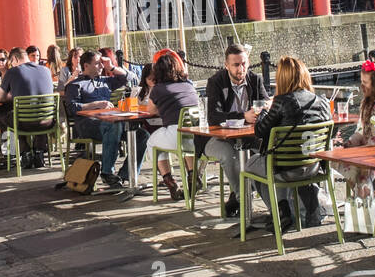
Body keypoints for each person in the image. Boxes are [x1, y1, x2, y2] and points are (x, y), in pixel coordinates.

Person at [244, 55, 331, 229]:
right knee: (271, 165)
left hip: (286, 168)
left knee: (250, 165)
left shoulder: (282, 102)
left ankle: (280, 210)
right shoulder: (322, 102)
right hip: (314, 167)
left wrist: (261, 112)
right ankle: (293, 209)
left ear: (282, 78)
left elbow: (260, 131)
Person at [201, 43, 269, 215]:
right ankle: (243, 200)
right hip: (217, 137)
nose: (241, 69)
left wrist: (261, 112)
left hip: (247, 136)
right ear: (226, 65)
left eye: (244, 63)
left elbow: (267, 105)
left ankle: (242, 196)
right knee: (228, 156)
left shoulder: (255, 79)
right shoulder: (216, 82)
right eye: (236, 65)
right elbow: (213, 117)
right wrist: (242, 116)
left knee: (266, 152)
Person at [63, 50, 133, 188]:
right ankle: (107, 172)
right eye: (97, 63)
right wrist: (96, 104)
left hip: (108, 121)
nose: (101, 66)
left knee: (141, 134)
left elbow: (129, 77)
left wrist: (111, 67)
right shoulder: (75, 85)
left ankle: (125, 174)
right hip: (87, 125)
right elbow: (72, 107)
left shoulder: (105, 81)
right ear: (86, 65)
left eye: (101, 63)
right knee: (114, 125)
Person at [134, 51, 199, 200]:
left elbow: (151, 110)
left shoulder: (158, 89)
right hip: (196, 135)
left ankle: (169, 181)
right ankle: (192, 176)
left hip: (174, 133)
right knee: (185, 145)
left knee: (152, 142)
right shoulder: (188, 85)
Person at [339, 59, 375, 199]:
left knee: (352, 165)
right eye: (361, 81)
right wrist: (349, 143)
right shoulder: (366, 103)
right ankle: (362, 194)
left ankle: (364, 195)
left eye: (365, 83)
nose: (362, 86)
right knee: (338, 158)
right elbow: (361, 129)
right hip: (366, 148)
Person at [0, 47, 55, 166]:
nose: (11, 65)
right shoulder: (46, 70)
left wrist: (13, 96)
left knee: (3, 116)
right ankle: (39, 150)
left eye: (11, 62)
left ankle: (24, 151)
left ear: (15, 59)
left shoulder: (13, 72)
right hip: (48, 121)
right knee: (38, 112)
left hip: (24, 122)